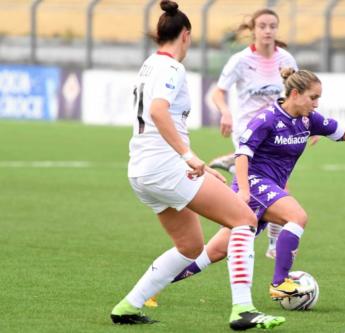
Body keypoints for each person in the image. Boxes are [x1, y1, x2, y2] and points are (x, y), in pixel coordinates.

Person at [143, 68, 345, 303]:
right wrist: (243, 191)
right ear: (295, 94)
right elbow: (242, 155)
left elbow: (341, 132)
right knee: (297, 217)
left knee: (214, 252)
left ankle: (150, 291)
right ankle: (280, 283)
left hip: (269, 188)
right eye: (313, 97)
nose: (317, 103)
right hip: (255, 185)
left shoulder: (308, 120)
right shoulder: (266, 119)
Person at [109, 1, 285, 330]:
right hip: (165, 167)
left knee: (190, 246)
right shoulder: (172, 68)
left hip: (143, 170)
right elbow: (159, 112)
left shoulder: (149, 64)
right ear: (185, 35)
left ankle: (127, 306)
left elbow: (164, 118)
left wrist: (191, 159)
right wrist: (188, 156)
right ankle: (243, 310)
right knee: (245, 220)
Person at [209, 8, 298, 261]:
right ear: (254, 30)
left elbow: (297, 95)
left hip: (278, 131)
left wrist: (305, 122)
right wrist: (225, 112)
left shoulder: (287, 60)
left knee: (277, 184)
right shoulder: (240, 61)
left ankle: (234, 167)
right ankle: (268, 242)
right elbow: (218, 92)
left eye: (272, 26)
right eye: (263, 26)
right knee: (275, 187)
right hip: (248, 132)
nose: (268, 30)